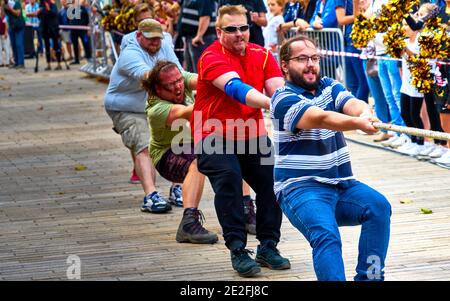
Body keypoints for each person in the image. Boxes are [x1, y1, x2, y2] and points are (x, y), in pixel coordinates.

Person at [271, 35, 391, 281]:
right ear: (284, 65)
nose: (311, 64)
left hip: (341, 185)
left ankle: (370, 277)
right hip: (300, 188)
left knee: (379, 208)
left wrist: (366, 113)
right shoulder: (282, 99)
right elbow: (321, 118)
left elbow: (353, 104)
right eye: (302, 59)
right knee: (327, 235)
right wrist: (357, 123)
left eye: (314, 58)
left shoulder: (329, 85)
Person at [192, 4, 290, 277]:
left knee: (274, 183)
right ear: (218, 31)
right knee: (230, 180)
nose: (239, 34)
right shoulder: (210, 57)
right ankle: (237, 249)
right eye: (231, 29)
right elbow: (237, 89)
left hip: (251, 133)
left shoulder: (262, 54)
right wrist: (276, 104)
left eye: (244, 28)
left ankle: (268, 246)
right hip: (212, 133)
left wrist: (296, 106)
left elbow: (278, 89)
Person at [104, 19, 182, 213]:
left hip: (156, 105)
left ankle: (177, 187)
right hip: (125, 107)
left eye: (158, 38)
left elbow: (178, 71)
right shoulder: (129, 54)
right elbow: (149, 77)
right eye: (150, 39)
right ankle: (151, 195)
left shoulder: (164, 44)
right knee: (144, 144)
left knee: (180, 139)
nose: (156, 43)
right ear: (139, 36)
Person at [142, 60, 218, 244]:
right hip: (166, 154)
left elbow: (203, 80)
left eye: (179, 81)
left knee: (234, 151)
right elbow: (188, 112)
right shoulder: (156, 109)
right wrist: (217, 96)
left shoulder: (177, 79)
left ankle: (245, 210)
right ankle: (188, 223)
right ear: (158, 89)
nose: (178, 87)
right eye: (170, 85)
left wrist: (225, 83)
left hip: (193, 143)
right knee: (198, 163)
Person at [177, 0, 217, 73]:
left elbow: (205, 16)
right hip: (191, 38)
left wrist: (199, 35)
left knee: (200, 70)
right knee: (192, 71)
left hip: (202, 39)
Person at [37, 0, 62, 71]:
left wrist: (49, 10)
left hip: (53, 28)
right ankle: (48, 64)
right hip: (45, 28)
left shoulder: (52, 4)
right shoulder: (41, 5)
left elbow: (55, 15)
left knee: (56, 46)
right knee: (47, 46)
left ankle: (59, 63)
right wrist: (38, 14)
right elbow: (40, 17)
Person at [3, 0, 25, 68]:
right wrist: (2, 6)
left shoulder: (16, 3)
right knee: (14, 45)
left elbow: (18, 13)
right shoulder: (5, 5)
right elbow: (5, 16)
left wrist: (10, 8)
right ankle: (16, 62)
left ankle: (21, 63)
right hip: (12, 26)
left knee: (19, 44)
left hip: (19, 26)